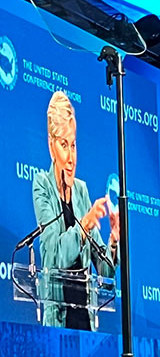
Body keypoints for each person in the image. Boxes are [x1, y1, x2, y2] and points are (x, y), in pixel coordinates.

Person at [32, 90, 119, 330]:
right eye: (63, 145)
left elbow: (105, 272)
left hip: (85, 320)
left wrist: (113, 240)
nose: (71, 157)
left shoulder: (81, 190)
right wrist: (86, 223)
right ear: (52, 147)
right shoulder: (42, 185)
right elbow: (54, 256)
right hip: (58, 321)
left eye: (73, 145)